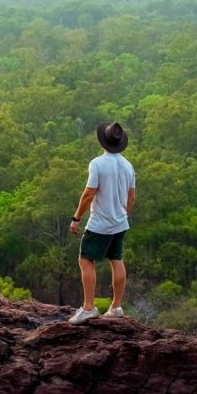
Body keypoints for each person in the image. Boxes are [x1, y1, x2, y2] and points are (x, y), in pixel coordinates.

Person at [68, 121, 136, 325]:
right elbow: (132, 196)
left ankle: (89, 307)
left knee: (86, 259)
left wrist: (76, 218)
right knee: (116, 259)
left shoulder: (97, 164)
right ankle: (116, 307)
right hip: (120, 222)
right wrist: (125, 214)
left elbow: (89, 193)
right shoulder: (128, 165)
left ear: (103, 141)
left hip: (100, 223)